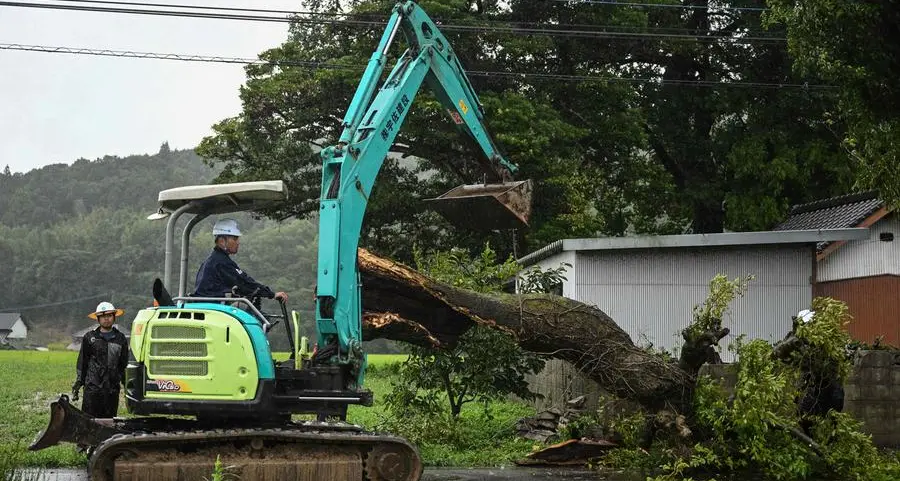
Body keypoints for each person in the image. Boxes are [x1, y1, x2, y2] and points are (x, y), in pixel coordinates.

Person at [192, 218, 288, 303]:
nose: (238, 242)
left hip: (209, 305)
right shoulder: (221, 262)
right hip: (213, 307)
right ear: (222, 241)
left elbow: (240, 283)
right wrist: (271, 294)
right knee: (259, 319)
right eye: (235, 238)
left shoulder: (214, 259)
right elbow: (243, 282)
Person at [72, 302, 129, 418]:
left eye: (109, 315)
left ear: (114, 317)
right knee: (89, 420)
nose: (106, 319)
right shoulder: (89, 338)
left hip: (112, 389)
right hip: (92, 389)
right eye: (103, 316)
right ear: (98, 319)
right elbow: (83, 362)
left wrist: (127, 385)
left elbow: (124, 364)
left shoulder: (120, 338)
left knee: (108, 421)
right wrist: (79, 382)